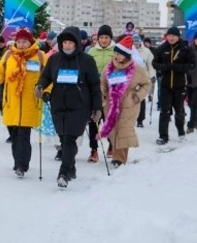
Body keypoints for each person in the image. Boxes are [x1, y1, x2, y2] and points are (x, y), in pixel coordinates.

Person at [35, 26, 102, 188]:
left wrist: (97, 107)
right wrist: (40, 86)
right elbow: (46, 76)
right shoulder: (54, 59)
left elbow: (95, 85)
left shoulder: (87, 60)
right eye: (64, 42)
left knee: (69, 139)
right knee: (63, 138)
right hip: (58, 104)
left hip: (80, 106)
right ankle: (71, 167)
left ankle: (63, 173)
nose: (67, 45)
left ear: (77, 43)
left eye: (70, 43)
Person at [0, 27, 46, 177]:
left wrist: (45, 91)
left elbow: (47, 76)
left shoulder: (40, 56)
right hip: (12, 101)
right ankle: (17, 162)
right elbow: (0, 71)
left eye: (25, 42)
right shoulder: (9, 55)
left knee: (24, 134)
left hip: (30, 102)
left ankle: (21, 165)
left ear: (31, 42)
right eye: (19, 42)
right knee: (15, 134)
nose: (22, 44)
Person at [98, 36, 150, 167]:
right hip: (111, 103)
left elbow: (147, 84)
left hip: (129, 104)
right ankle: (117, 155)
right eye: (115, 53)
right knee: (113, 130)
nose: (116, 56)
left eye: (119, 53)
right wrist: (103, 94)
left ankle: (120, 159)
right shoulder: (109, 67)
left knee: (124, 130)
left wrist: (137, 97)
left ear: (126, 55)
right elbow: (103, 83)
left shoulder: (137, 68)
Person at [152, 26, 194, 145]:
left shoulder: (185, 49)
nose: (171, 38)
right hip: (165, 85)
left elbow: (191, 65)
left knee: (179, 111)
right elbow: (154, 63)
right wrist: (164, 67)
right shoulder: (161, 48)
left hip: (180, 85)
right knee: (164, 111)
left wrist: (176, 67)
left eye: (174, 36)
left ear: (178, 37)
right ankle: (163, 136)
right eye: (169, 36)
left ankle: (181, 131)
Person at [87, 25, 115, 162]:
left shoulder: (116, 51)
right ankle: (94, 150)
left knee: (109, 120)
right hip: (95, 90)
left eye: (106, 37)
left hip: (111, 91)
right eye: (101, 37)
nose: (104, 40)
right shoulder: (92, 51)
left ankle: (111, 145)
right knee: (94, 120)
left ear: (110, 38)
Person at [134, 34, 155, 128]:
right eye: (134, 43)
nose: (136, 45)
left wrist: (152, 75)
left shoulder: (146, 52)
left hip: (142, 78)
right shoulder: (129, 50)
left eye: (137, 43)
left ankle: (140, 119)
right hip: (131, 78)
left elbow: (151, 65)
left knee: (141, 98)